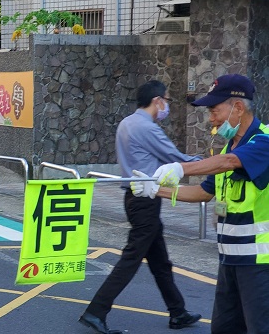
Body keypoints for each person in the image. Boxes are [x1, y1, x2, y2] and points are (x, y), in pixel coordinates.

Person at [133, 74, 269, 334]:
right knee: (223, 328)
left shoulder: (263, 141)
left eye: (215, 110)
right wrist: (155, 190)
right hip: (230, 260)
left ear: (238, 108)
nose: (211, 118)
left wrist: (180, 167)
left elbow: (230, 163)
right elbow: (204, 193)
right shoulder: (228, 148)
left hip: (260, 264)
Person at [79, 80, 202, 334]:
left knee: (159, 261)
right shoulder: (148, 128)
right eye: (166, 100)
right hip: (146, 199)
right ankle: (96, 310)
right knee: (131, 258)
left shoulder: (126, 123)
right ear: (157, 101)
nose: (167, 106)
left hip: (134, 198)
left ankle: (177, 311)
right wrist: (212, 162)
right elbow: (177, 159)